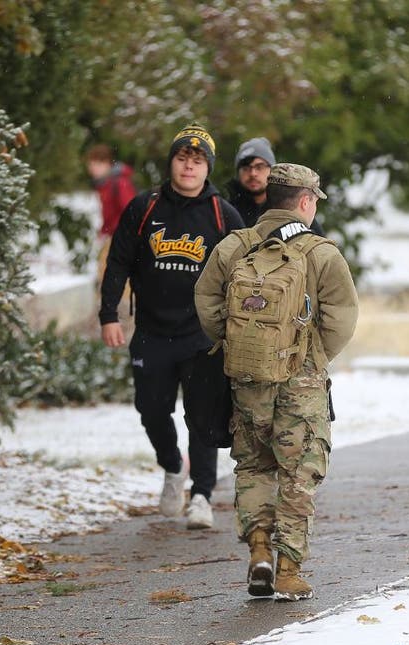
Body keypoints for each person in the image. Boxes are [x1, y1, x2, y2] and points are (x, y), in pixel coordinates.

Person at [194, 163, 358, 601]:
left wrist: (236, 343)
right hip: (300, 382)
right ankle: (287, 569)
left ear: (270, 197)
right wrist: (310, 355)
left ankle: (260, 551)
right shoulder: (321, 253)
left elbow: (206, 299)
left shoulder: (236, 245)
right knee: (299, 470)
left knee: (254, 465)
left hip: (248, 377)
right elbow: (342, 320)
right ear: (306, 202)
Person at [100, 123, 245, 529]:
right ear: (172, 163)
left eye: (197, 161)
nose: (188, 167)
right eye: (182, 158)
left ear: (207, 169)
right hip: (151, 331)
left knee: (202, 417)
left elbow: (243, 273)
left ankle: (201, 494)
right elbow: (118, 263)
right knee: (151, 410)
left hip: (202, 335)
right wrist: (109, 315)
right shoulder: (144, 207)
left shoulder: (223, 215)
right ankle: (171, 467)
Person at [225, 136, 326, 234]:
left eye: (259, 167)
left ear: (272, 169)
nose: (253, 173)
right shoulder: (225, 211)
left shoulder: (290, 206)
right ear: (238, 172)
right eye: (246, 168)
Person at [85, 144, 138, 284]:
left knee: (112, 277)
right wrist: (104, 230)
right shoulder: (105, 183)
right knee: (107, 275)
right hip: (112, 235)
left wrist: (123, 235)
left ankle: (118, 304)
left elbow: (131, 211)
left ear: (108, 164)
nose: (93, 168)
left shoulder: (119, 183)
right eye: (91, 164)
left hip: (121, 237)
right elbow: (110, 213)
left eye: (97, 164)